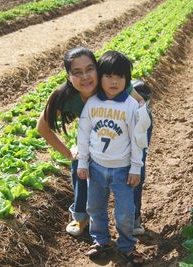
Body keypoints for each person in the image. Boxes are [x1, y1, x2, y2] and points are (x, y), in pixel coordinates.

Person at [37, 46, 151, 238]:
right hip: (97, 131)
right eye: (77, 72)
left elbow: (141, 106)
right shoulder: (65, 97)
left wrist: (134, 145)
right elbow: (42, 127)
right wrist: (68, 153)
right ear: (68, 76)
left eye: (90, 69)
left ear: (98, 69)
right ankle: (81, 216)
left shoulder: (110, 84)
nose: (85, 77)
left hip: (133, 126)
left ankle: (133, 217)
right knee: (79, 162)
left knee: (134, 169)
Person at [77, 50, 150, 265]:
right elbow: (83, 134)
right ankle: (101, 241)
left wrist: (136, 168)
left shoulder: (130, 106)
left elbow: (138, 141)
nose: (114, 81)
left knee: (125, 212)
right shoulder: (91, 104)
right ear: (100, 77)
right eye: (108, 76)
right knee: (94, 207)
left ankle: (127, 246)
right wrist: (82, 162)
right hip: (96, 168)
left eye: (120, 77)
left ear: (127, 80)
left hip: (123, 170)